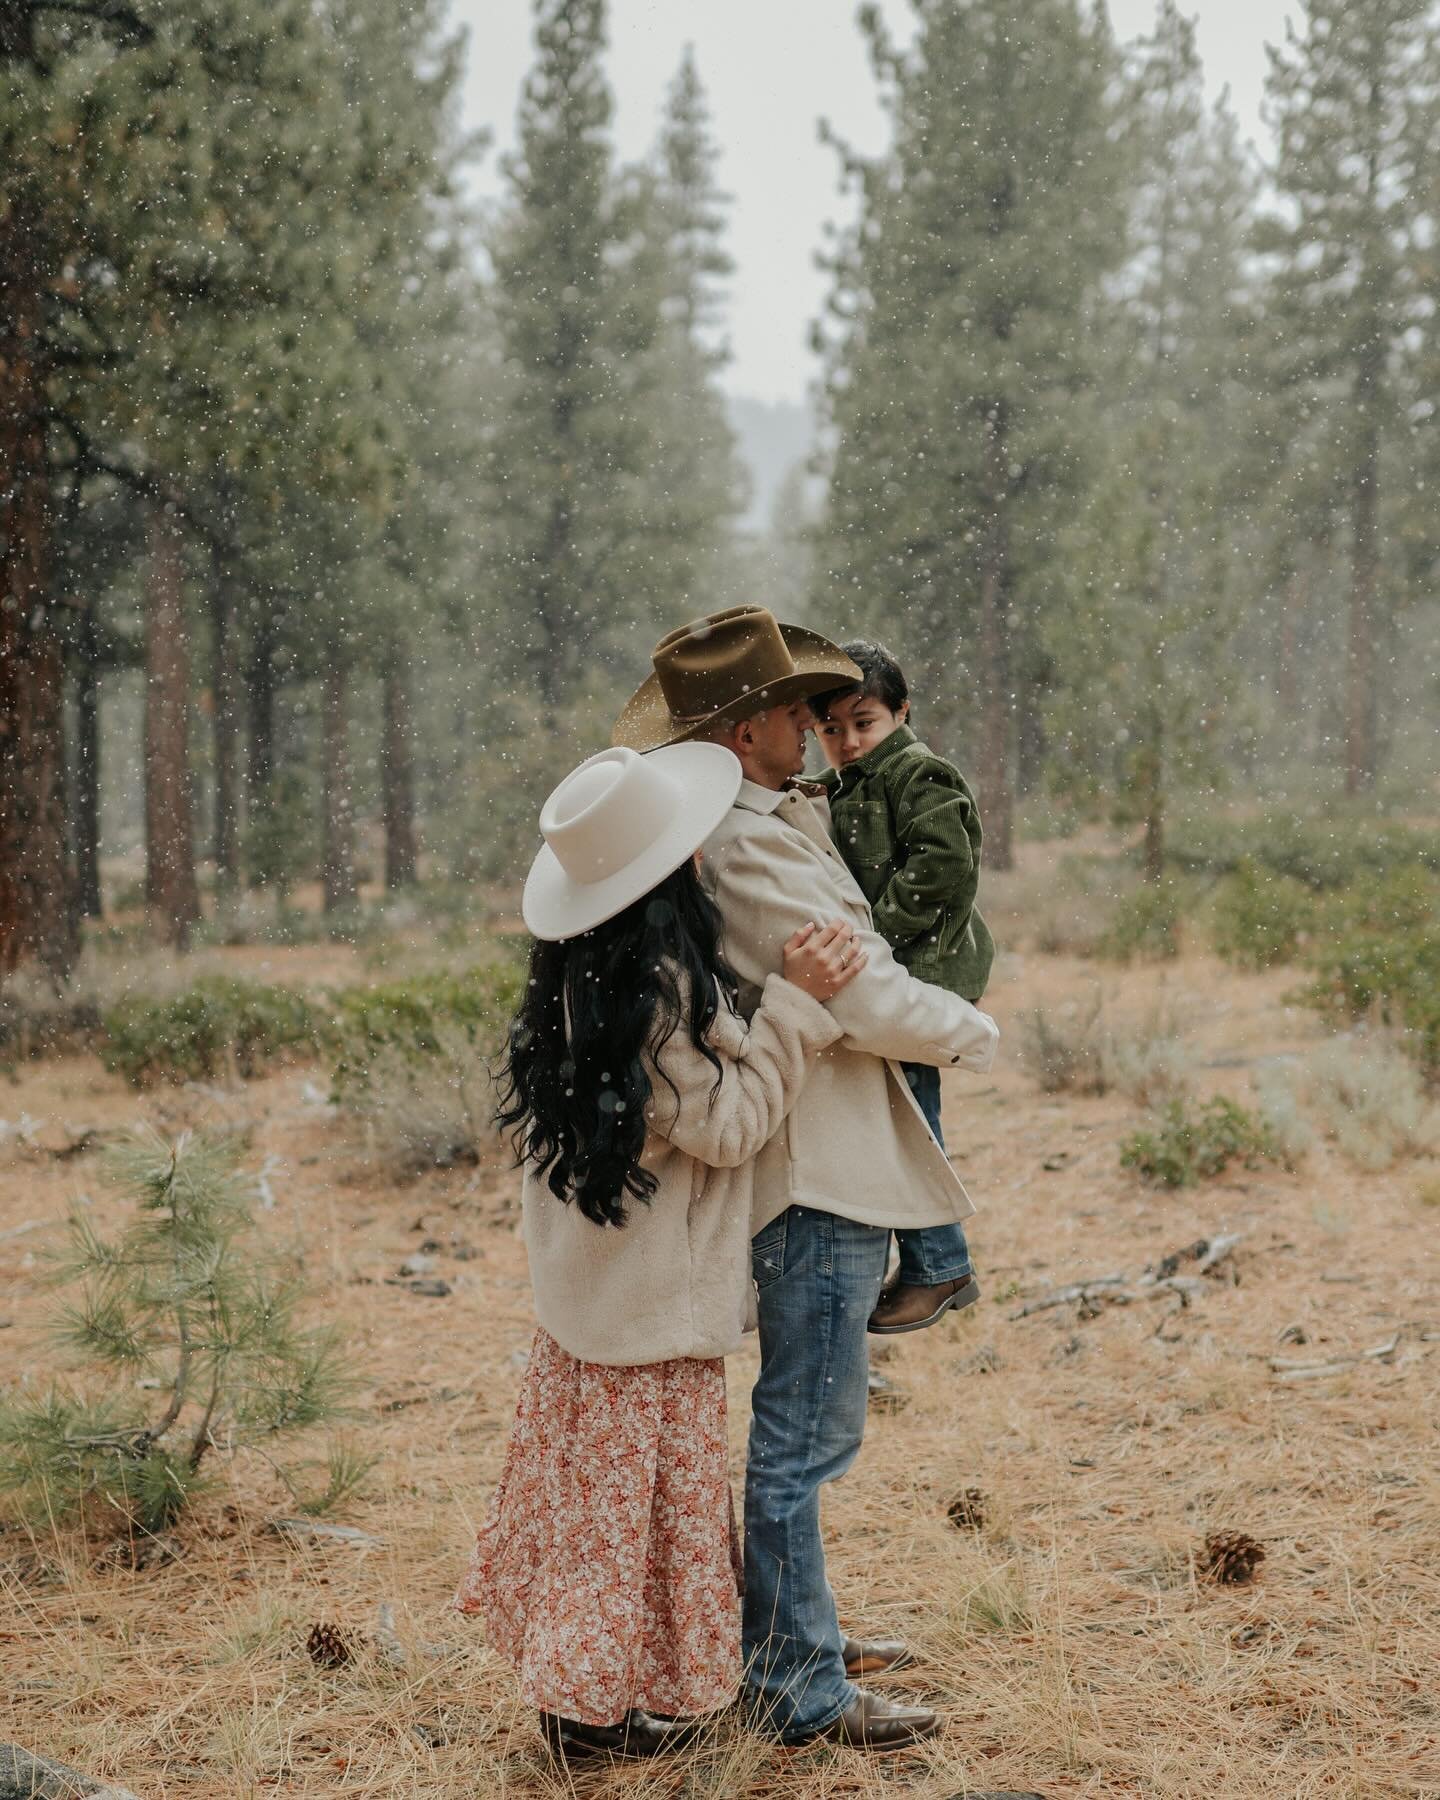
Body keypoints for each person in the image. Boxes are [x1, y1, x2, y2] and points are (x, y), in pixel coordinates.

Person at [612, 605, 1000, 1752]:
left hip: (820, 1158)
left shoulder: (767, 819)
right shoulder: (751, 842)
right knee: (804, 1434)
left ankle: (798, 1639)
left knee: (805, 1428)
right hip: (814, 1171)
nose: (810, 724)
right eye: (792, 709)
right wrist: (974, 1031)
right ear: (744, 732)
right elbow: (865, 991)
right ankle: (794, 1682)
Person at [454, 740, 867, 1764]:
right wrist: (799, 1011)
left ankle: (586, 1702)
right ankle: (586, 1725)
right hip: (646, 1310)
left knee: (594, 1516)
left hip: (590, 1301)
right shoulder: (658, 993)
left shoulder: (581, 974)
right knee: (627, 1523)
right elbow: (727, 1129)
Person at [810, 639, 996, 1334]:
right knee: (893, 1111)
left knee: (911, 1116)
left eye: (865, 723)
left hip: (930, 970)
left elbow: (945, 863)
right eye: (831, 729)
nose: (850, 741)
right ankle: (925, 1260)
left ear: (900, 713)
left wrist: (876, 932)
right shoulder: (841, 785)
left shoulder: (919, 774)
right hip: (899, 971)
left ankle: (940, 1265)